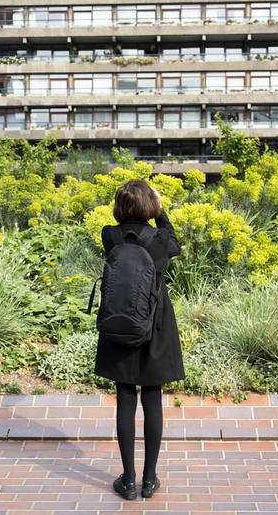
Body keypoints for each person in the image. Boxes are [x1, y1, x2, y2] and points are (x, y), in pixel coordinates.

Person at [94, 179, 185, 500]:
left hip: (120, 321)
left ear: (119, 208)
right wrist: (160, 211)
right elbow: (174, 244)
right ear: (151, 206)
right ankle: (149, 480)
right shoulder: (159, 240)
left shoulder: (110, 235)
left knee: (124, 398)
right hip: (155, 324)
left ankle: (128, 481)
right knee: (152, 397)